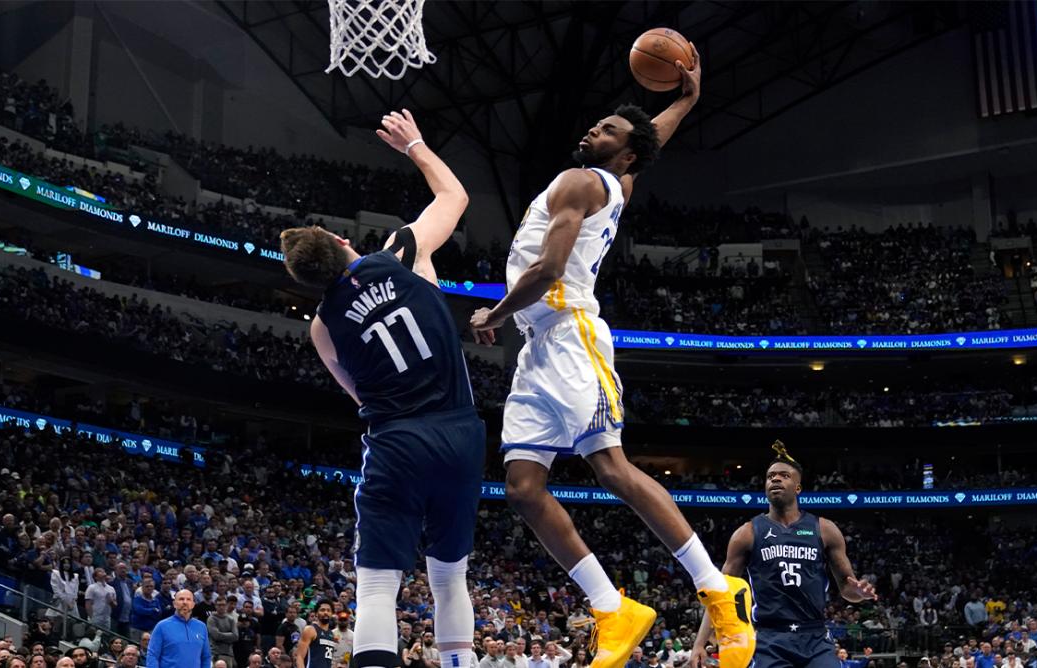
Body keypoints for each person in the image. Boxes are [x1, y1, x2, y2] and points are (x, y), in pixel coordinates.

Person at [468, 45, 751, 668]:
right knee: (521, 487)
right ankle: (611, 607)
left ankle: (718, 589)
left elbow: (546, 269)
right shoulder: (616, 180)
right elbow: (652, 142)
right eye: (598, 123)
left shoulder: (577, 182)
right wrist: (684, 100)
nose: (592, 129)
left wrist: (495, 312)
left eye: (607, 130)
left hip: (570, 335)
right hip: (540, 348)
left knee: (612, 468)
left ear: (621, 153)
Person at [279, 109, 484, 668]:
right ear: (343, 241)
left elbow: (358, 395)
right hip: (460, 434)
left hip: (398, 440)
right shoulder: (402, 253)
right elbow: (456, 197)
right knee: (450, 575)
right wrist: (415, 144)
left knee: (376, 584)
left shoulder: (321, 328)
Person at [696, 443, 878, 668]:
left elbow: (847, 588)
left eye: (784, 475)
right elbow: (720, 593)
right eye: (770, 476)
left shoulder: (824, 529)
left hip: (815, 637)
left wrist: (859, 593)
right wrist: (699, 643)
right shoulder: (747, 533)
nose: (775, 479)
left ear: (798, 487)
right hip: (768, 639)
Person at [147, 589, 212, 668]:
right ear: (174, 604)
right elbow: (152, 655)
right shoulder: (161, 626)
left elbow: (206, 657)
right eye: (181, 599)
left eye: (188, 599)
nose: (185, 602)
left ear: (193, 604)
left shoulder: (201, 627)